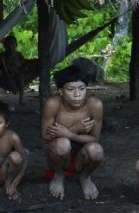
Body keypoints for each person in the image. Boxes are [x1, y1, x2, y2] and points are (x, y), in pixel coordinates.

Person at [41, 65, 104, 200]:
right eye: (70, 89)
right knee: (62, 144)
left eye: (82, 89)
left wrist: (70, 134)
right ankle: (58, 175)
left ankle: (85, 177)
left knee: (96, 150)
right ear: (61, 91)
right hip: (58, 155)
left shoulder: (95, 105)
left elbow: (94, 139)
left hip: (82, 156)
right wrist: (76, 128)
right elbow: (46, 136)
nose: (77, 95)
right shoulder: (53, 104)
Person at [0, 36, 26, 105]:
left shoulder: (18, 55)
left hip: (16, 77)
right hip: (4, 78)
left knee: (21, 75)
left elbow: (24, 65)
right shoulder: (2, 56)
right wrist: (4, 68)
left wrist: (18, 68)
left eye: (12, 44)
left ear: (16, 45)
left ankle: (21, 98)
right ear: (4, 46)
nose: (10, 47)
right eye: (8, 45)